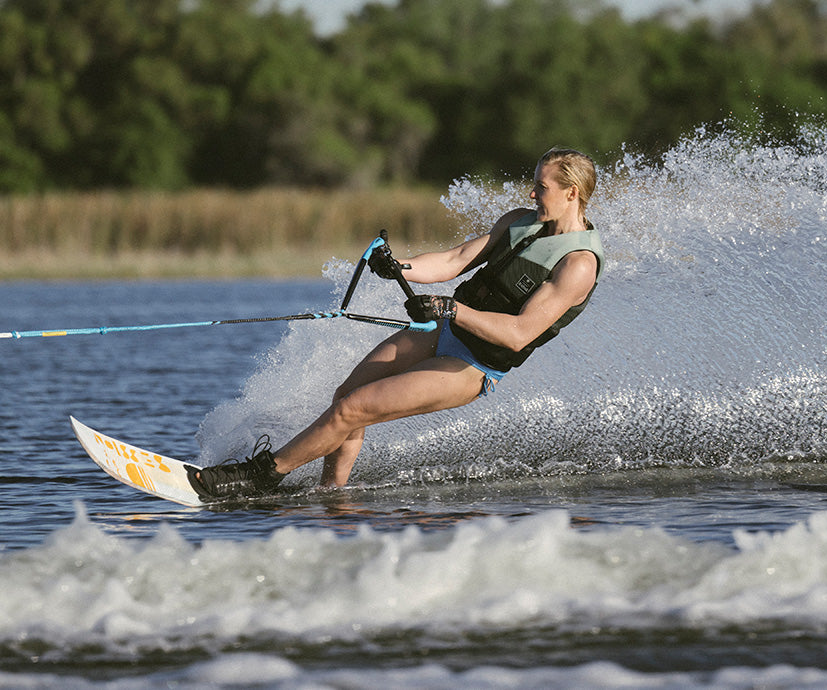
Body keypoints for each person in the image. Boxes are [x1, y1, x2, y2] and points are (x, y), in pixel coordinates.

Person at [189, 148, 605, 499]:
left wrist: (450, 309)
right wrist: (398, 266)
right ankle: (331, 496)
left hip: (474, 366)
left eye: (542, 187)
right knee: (347, 395)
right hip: (443, 330)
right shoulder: (520, 221)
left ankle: (261, 475)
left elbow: (517, 335)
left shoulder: (578, 264)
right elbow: (455, 260)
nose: (531, 192)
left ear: (572, 192)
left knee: (354, 409)